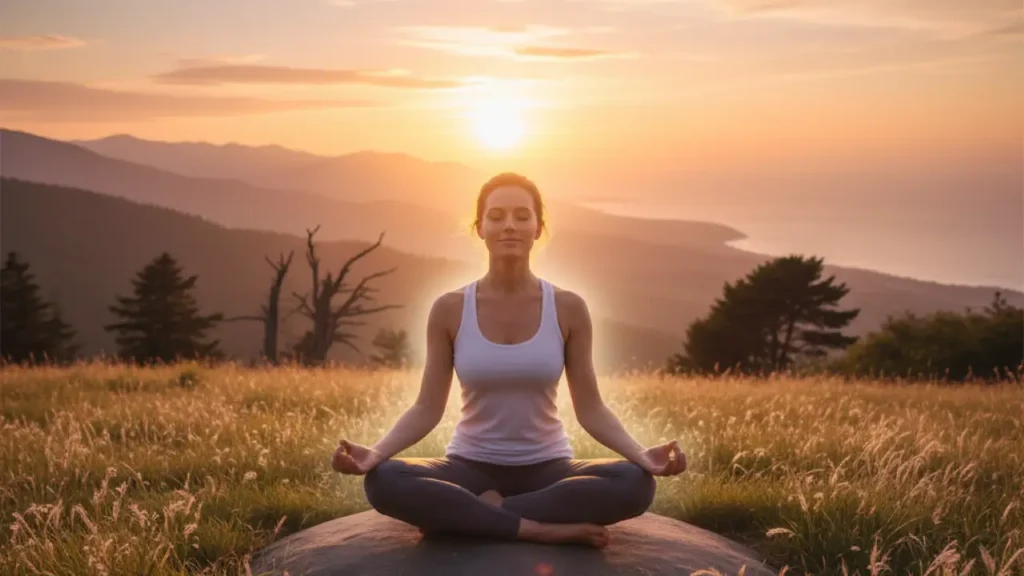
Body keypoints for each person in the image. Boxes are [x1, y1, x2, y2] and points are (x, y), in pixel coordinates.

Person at [331, 172, 687, 548]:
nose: (509, 226)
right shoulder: (450, 309)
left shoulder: (568, 308)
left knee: (634, 484)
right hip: (468, 465)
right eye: (496, 216)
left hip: (549, 469)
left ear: (538, 228)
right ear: (480, 228)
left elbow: (591, 408)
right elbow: (426, 407)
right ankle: (534, 528)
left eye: (522, 216)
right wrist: (377, 453)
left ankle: (479, 515)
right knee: (385, 480)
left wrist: (641, 455)